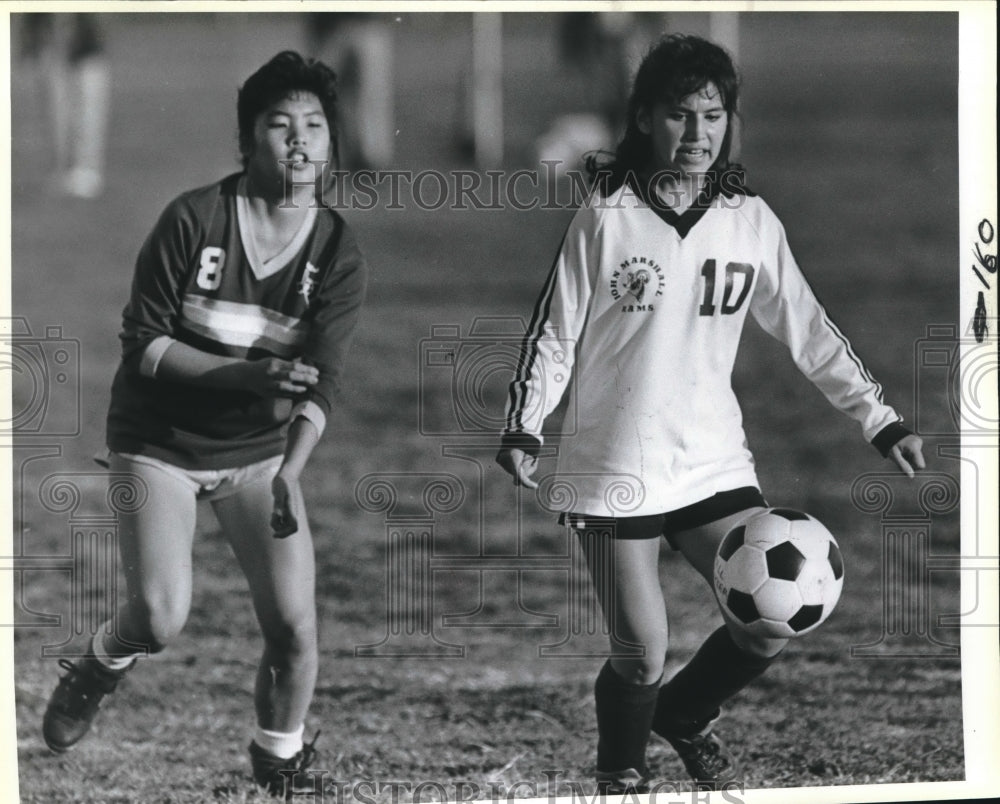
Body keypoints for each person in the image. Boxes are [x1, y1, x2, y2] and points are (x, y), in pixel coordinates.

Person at [496, 34, 925, 792]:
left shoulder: (749, 220)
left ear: (730, 122)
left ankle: (685, 714)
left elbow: (809, 328)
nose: (696, 134)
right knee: (641, 651)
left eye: (712, 115)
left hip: (711, 462)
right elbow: (553, 334)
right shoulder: (607, 218)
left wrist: (879, 417)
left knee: (770, 621)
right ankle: (620, 776)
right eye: (677, 116)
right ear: (640, 120)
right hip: (614, 466)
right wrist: (525, 424)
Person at [41, 51, 368, 797]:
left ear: (332, 142)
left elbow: (328, 377)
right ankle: (99, 663)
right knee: (158, 617)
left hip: (257, 457)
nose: (298, 141)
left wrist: (291, 468)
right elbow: (144, 345)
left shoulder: (338, 250)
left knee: (294, 627)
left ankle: (277, 760)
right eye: (279, 125)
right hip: (159, 443)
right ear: (248, 140)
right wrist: (245, 376)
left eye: (314, 126)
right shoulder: (194, 219)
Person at [18, 13, 111, 199]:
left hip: (85, 48)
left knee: (88, 110)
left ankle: (87, 169)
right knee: (56, 112)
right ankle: (62, 169)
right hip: (53, 45)